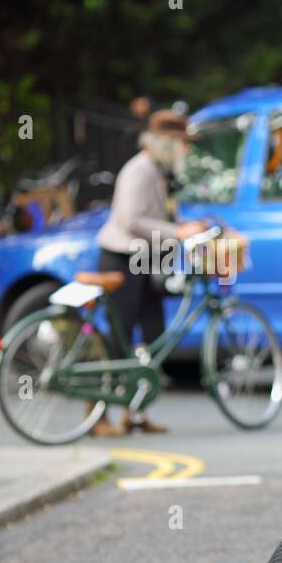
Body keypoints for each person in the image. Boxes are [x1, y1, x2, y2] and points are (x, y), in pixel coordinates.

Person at [92, 108, 207, 436]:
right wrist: (177, 232)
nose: (186, 149)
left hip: (146, 260)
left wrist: (182, 227)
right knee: (119, 338)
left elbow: (161, 214)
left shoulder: (159, 170)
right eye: (182, 142)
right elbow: (130, 220)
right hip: (123, 259)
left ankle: (136, 413)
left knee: (153, 335)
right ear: (165, 142)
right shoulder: (138, 170)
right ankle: (98, 416)